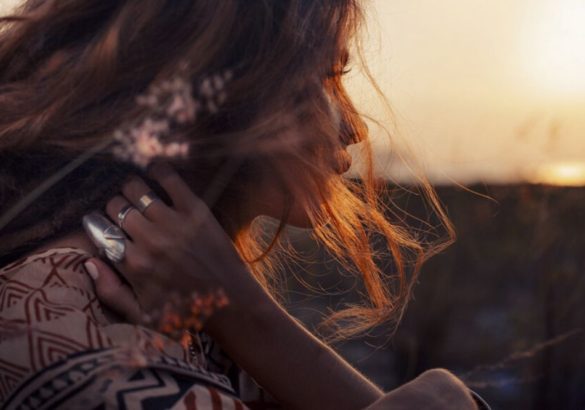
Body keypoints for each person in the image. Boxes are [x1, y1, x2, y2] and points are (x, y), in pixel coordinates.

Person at [0, 0, 488, 408]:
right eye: (323, 80)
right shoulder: (69, 333)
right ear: (214, 100)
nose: (354, 129)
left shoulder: (187, 314)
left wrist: (244, 313)